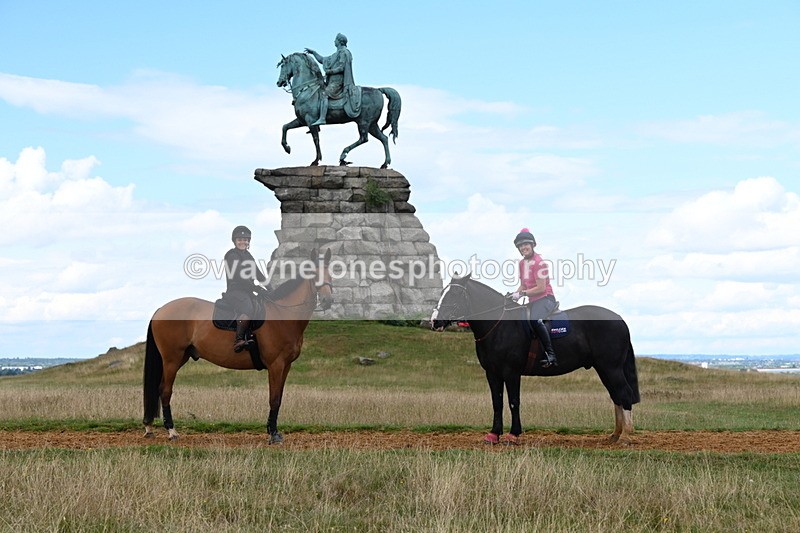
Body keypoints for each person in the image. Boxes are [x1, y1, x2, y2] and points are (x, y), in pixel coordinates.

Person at [511, 228, 558, 368]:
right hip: (533, 300)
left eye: (525, 244)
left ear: (532, 245)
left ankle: (551, 355)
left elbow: (541, 288)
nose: (522, 247)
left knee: (535, 320)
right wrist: (513, 295)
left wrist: (522, 294)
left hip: (546, 298)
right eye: (520, 246)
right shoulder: (521, 264)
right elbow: (523, 285)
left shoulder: (539, 262)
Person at [225, 225, 267, 353]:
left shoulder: (248, 256)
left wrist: (270, 289)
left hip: (247, 291)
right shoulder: (231, 255)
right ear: (235, 241)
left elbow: (258, 274)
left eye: (246, 239)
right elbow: (238, 276)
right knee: (248, 308)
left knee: (261, 306)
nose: (243, 242)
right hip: (235, 291)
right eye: (240, 239)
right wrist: (255, 287)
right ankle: (238, 340)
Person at [304, 33, 360, 126]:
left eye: (335, 40)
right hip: (331, 81)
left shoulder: (344, 52)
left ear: (339, 41)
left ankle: (322, 118)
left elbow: (342, 67)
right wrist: (314, 53)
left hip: (338, 82)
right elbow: (323, 60)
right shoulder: (336, 54)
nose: (334, 41)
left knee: (324, 94)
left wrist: (330, 71)